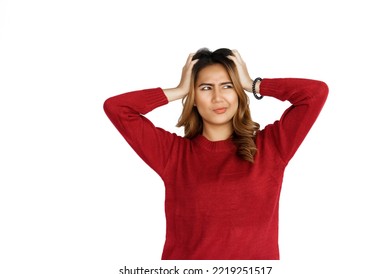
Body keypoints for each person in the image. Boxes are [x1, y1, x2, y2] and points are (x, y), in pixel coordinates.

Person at [103, 48, 328, 260]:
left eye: (228, 86)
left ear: (239, 92)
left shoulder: (271, 147)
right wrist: (180, 89)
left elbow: (315, 94)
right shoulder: (173, 154)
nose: (218, 97)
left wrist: (253, 84)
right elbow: (117, 108)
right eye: (205, 88)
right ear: (193, 97)